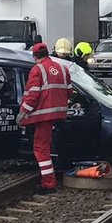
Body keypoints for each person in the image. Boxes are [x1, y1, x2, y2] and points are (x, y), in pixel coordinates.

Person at [17, 43, 72, 193]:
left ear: (34, 56)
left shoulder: (37, 70)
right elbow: (69, 91)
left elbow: (32, 95)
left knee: (41, 149)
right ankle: (51, 178)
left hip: (43, 115)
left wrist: (22, 114)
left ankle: (48, 183)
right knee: (48, 146)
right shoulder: (62, 68)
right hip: (59, 113)